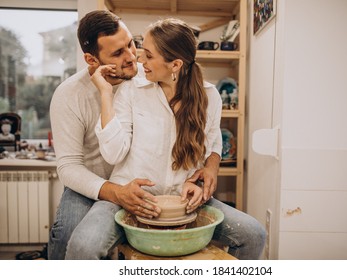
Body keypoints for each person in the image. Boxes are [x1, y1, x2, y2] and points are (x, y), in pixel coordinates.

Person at [48, 10, 221, 260]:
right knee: (68, 237)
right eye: (117, 53)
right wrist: (116, 192)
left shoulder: (150, 72)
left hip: (142, 182)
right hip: (93, 181)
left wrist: (212, 165)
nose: (132, 57)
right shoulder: (69, 96)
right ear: (91, 59)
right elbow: (68, 166)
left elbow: (208, 128)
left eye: (131, 44)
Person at [91, 18, 266, 260]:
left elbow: (213, 143)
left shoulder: (210, 96)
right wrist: (105, 94)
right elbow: (113, 153)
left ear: (175, 65)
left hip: (185, 201)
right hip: (129, 198)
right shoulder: (133, 89)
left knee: (254, 234)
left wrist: (210, 171)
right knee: (84, 246)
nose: (140, 60)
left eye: (149, 56)